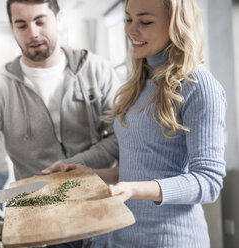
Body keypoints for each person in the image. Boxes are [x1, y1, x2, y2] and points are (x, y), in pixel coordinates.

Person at [42, 0, 227, 247]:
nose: (131, 30)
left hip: (171, 239)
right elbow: (140, 170)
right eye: (128, 19)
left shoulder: (198, 84)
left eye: (146, 22)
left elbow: (208, 182)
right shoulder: (138, 84)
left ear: (177, 26)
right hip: (123, 235)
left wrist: (133, 190)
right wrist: (87, 175)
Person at [0, 0, 120, 247]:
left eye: (40, 21)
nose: (32, 33)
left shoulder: (97, 70)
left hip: (98, 213)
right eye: (21, 24)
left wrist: (76, 165)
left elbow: (121, 136)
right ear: (12, 27)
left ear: (59, 18)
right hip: (38, 222)